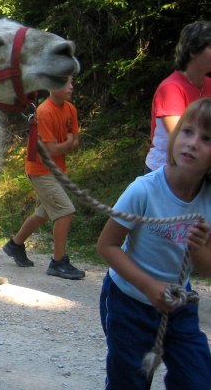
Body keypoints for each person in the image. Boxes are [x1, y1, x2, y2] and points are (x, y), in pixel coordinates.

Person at [97, 98, 211, 389]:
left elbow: (206, 269)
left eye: (207, 138)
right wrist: (149, 287)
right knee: (130, 381)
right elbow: (107, 246)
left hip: (178, 303)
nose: (193, 143)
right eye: (187, 132)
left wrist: (198, 249)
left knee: (198, 379)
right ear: (174, 137)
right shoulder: (143, 190)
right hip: (129, 301)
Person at [2, 79, 85, 279]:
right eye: (65, 83)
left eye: (72, 83)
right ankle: (58, 262)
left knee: (43, 213)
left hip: (56, 170)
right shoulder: (44, 112)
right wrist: (66, 143)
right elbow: (51, 149)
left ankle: (15, 245)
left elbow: (75, 142)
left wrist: (64, 144)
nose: (71, 87)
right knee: (65, 212)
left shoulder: (70, 109)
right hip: (40, 170)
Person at [145, 20, 211, 172]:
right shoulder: (171, 88)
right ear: (193, 51)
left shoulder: (209, 84)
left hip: (197, 170)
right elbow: (180, 138)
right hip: (165, 172)